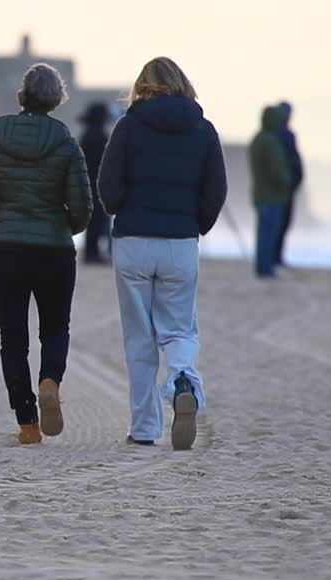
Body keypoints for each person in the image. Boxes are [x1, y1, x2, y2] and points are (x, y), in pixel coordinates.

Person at [97, 57, 227, 450]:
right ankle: (183, 378)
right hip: (180, 243)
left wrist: (122, 208)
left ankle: (144, 429)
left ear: (143, 86)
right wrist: (196, 225)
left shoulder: (129, 126)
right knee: (179, 328)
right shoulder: (203, 130)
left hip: (134, 240)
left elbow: (107, 187)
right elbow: (216, 191)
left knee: (139, 338)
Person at [0, 63, 93, 445]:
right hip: (54, 250)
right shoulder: (66, 142)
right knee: (55, 327)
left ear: (21, 96)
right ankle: (50, 381)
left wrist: (2, 223)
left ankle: (27, 423)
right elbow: (83, 207)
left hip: (7, 249)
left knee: (12, 336)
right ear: (56, 100)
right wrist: (63, 228)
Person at [249, 106, 292, 278]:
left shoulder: (257, 139)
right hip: (272, 195)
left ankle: (262, 266)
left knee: (262, 234)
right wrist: (287, 183)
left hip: (260, 193)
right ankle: (266, 269)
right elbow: (277, 170)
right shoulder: (271, 141)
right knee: (269, 234)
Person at [78, 102, 113, 264]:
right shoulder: (101, 137)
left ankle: (92, 252)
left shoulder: (86, 136)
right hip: (99, 184)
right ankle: (95, 254)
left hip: (86, 184)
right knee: (99, 221)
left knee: (92, 221)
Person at [275, 101, 305, 267]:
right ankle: (275, 257)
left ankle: (276, 257)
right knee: (280, 224)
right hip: (284, 187)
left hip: (287, 185)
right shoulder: (284, 135)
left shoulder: (283, 135)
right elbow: (290, 161)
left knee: (281, 224)